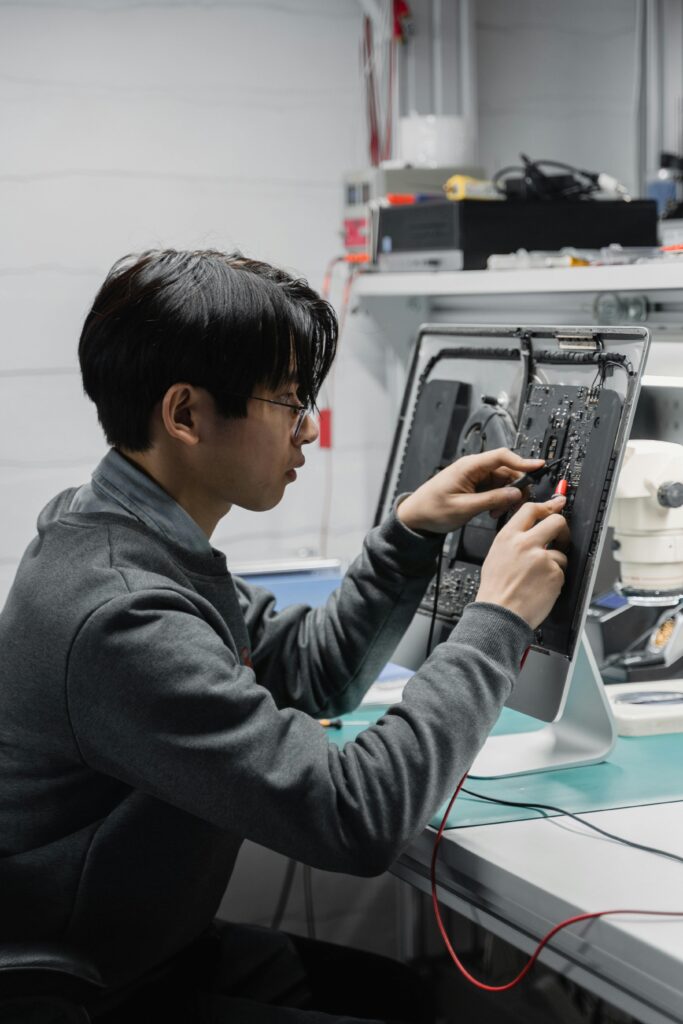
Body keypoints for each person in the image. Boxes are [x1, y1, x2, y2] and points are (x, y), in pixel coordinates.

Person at [0, 250, 569, 1023]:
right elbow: (356, 815)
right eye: (289, 399)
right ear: (186, 414)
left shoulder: (125, 532)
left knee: (408, 996)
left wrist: (406, 533)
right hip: (96, 989)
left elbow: (307, 675)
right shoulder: (121, 611)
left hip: (142, 945)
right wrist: (496, 620)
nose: (307, 429)